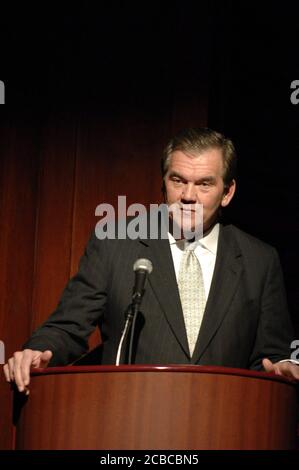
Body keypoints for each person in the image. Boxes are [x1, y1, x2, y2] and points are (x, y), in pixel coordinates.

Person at [4, 127, 299, 394]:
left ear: (227, 192)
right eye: (178, 180)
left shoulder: (259, 260)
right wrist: (37, 351)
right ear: (163, 183)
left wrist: (284, 366)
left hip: (221, 425)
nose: (188, 195)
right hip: (134, 422)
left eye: (204, 184)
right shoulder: (116, 244)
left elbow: (270, 356)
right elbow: (67, 327)